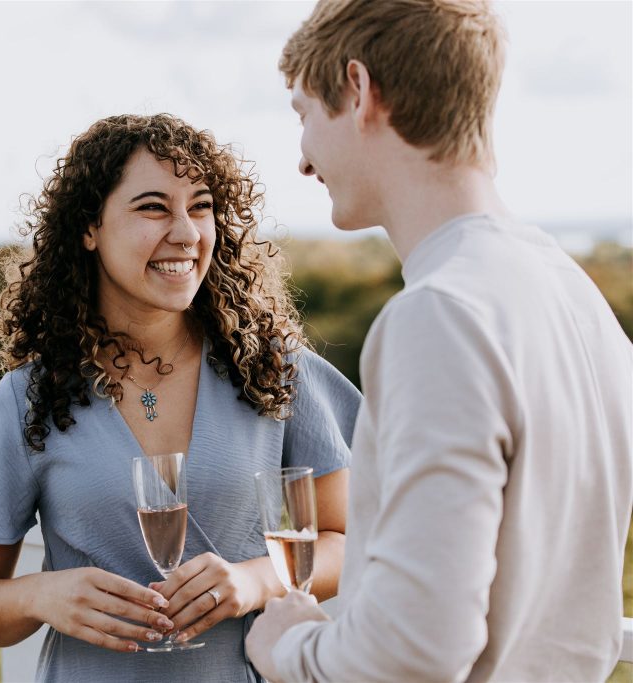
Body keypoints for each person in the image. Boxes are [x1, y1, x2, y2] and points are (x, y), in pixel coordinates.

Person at [245, 1, 633, 682]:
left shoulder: (439, 315)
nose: (303, 157)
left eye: (304, 112)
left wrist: (289, 648)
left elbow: (411, 652)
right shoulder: (577, 297)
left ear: (360, 92)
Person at [0, 113, 360, 681]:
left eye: (200, 206)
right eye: (153, 207)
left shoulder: (276, 370)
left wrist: (256, 580)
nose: (187, 233)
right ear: (88, 227)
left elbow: (352, 542)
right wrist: (41, 595)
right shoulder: (32, 397)